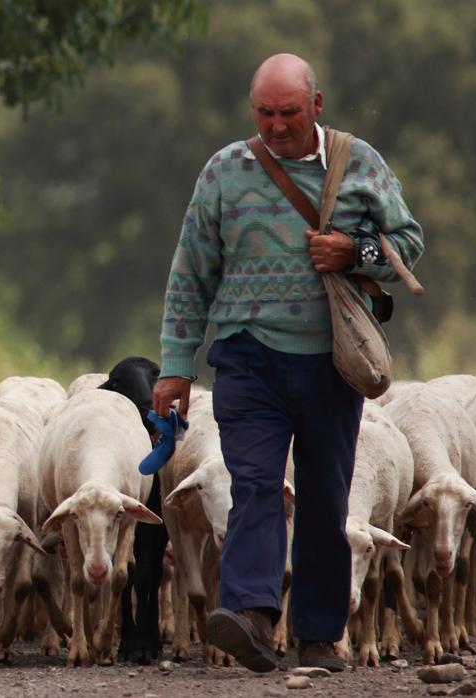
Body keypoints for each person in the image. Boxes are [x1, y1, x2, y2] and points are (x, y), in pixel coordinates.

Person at [151, 53, 424, 672]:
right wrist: (175, 365)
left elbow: (408, 242)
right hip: (248, 357)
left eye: (289, 113)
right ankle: (250, 614)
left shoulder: (360, 164)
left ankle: (319, 636)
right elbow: (191, 271)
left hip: (331, 361)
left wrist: (353, 250)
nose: (276, 126)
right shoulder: (224, 170)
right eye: (265, 113)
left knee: (326, 495)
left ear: (316, 107)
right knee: (254, 484)